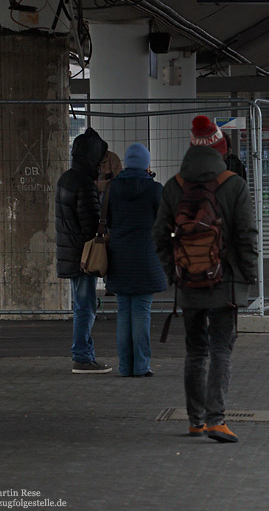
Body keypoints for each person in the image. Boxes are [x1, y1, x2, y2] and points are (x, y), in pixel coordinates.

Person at [153, 116, 258, 443]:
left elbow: (159, 236)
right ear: (220, 148)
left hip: (188, 281)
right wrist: (249, 276)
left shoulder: (174, 186)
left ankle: (195, 421)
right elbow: (246, 235)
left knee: (195, 350)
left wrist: (174, 272)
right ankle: (216, 420)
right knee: (221, 349)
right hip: (225, 283)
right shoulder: (234, 185)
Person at [106, 143, 167, 378]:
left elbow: (108, 220)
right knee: (141, 311)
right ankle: (141, 366)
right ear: (146, 164)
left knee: (123, 312)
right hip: (145, 257)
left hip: (119, 256)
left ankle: (124, 366)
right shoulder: (154, 189)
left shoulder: (113, 188)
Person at [55, 127, 111, 374]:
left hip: (70, 252)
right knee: (85, 308)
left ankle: (84, 354)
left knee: (82, 306)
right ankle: (82, 357)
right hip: (83, 257)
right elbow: (91, 226)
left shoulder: (65, 178)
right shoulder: (84, 184)